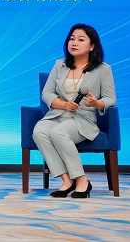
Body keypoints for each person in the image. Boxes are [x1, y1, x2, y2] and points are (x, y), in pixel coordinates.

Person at [32, 23, 116, 199]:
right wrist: (63, 105)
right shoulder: (60, 65)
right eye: (72, 39)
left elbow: (111, 98)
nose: (74, 43)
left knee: (58, 132)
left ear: (92, 46)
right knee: (39, 131)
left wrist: (97, 103)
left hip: (83, 119)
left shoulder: (103, 69)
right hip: (57, 115)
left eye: (80, 39)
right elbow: (46, 93)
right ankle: (67, 180)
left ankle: (82, 180)